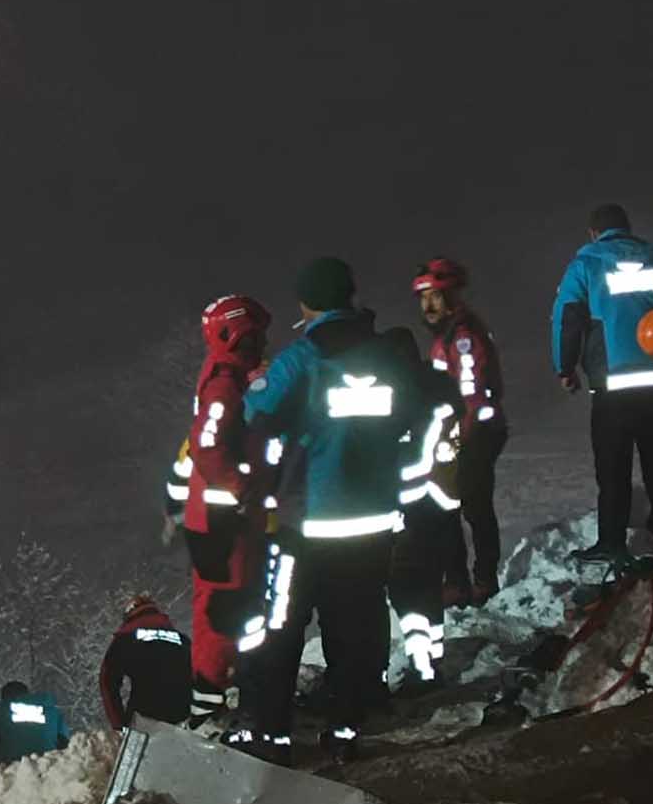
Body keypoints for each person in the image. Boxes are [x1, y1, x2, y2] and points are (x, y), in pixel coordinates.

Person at [236, 258, 421, 765]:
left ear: (306, 304)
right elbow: (410, 412)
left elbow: (260, 413)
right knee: (355, 627)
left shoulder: (303, 357)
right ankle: (345, 730)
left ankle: (271, 738)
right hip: (374, 519)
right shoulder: (387, 354)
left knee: (283, 627)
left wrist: (258, 386)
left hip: (310, 522)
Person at [551, 204, 653, 562]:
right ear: (627, 230)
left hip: (614, 383)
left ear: (593, 233)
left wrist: (564, 368)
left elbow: (567, 320)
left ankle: (612, 542)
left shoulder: (586, 264)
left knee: (613, 462)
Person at [180, 295, 274, 723]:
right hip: (222, 520)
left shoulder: (231, 376)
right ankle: (209, 700)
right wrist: (241, 486)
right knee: (222, 609)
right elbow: (208, 445)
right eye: (254, 334)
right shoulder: (223, 382)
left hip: (217, 516)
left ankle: (214, 692)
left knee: (222, 606)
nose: (261, 343)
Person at [413, 258, 508, 602]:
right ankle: (458, 580)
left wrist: (458, 439)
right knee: (449, 506)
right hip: (457, 434)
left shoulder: (464, 337)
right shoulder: (447, 336)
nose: (428, 306)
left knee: (472, 506)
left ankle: (480, 580)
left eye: (436, 296)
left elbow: (473, 394)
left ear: (452, 295)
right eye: (423, 298)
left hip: (474, 433)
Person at [388, 325, 463, 689]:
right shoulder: (439, 383)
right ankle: (431, 661)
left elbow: (409, 459)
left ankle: (422, 667)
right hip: (442, 501)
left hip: (411, 502)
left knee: (405, 587)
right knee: (428, 585)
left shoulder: (404, 396)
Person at [0, 681, 71, 804]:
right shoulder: (53, 713)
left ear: (5, 697)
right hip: (48, 782)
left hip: (11, 783)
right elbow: (66, 749)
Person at [98, 595, 192, 729]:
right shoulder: (182, 640)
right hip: (184, 720)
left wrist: (119, 725)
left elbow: (107, 681)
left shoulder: (125, 639)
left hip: (145, 719)